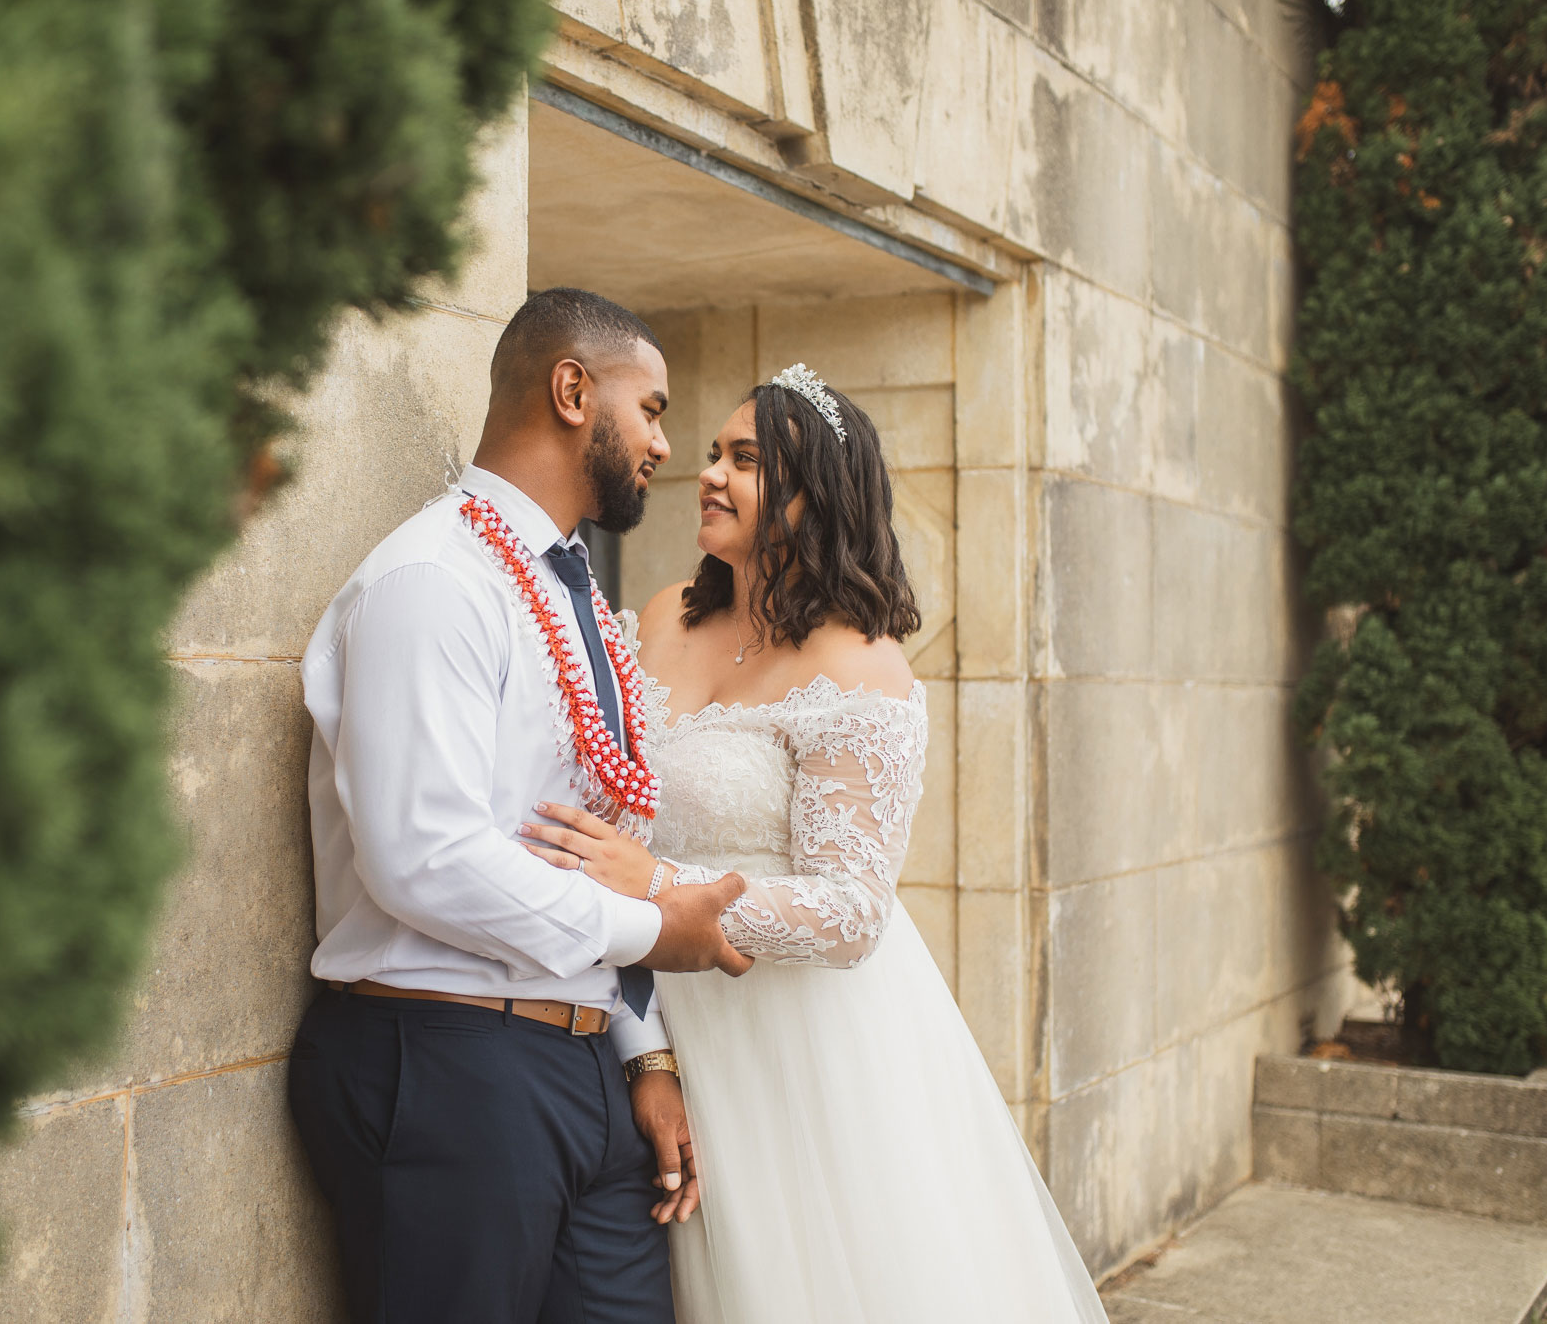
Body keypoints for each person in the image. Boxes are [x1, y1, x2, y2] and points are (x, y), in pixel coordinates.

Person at [518, 365, 1111, 1322]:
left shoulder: (858, 664)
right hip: (645, 1017)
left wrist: (661, 880)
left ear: (814, 494)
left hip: (794, 1048)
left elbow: (851, 910)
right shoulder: (666, 612)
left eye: (744, 460)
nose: (709, 473)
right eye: (713, 453)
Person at [290, 287, 752, 1324]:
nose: (665, 445)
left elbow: (595, 830)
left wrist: (642, 1052)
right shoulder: (431, 580)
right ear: (572, 389)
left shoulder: (572, 590)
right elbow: (423, 857)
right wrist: (651, 930)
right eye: (652, 408)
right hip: (448, 1064)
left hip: (584, 1070)